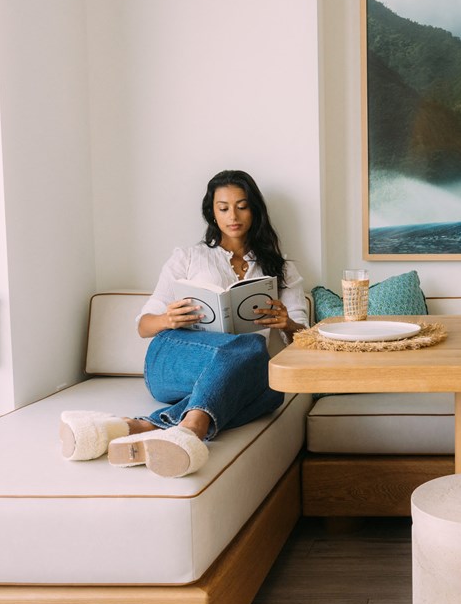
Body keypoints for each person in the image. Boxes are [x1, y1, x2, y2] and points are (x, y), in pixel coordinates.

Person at [59, 170, 308, 477]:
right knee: (252, 346)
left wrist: (286, 325)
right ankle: (191, 430)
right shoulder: (187, 258)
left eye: (242, 206)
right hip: (174, 360)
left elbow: (305, 340)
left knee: (272, 391)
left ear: (255, 209)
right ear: (211, 212)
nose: (233, 215)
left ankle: (141, 426)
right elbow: (143, 326)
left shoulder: (281, 269)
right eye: (224, 207)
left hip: (231, 373)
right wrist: (168, 318)